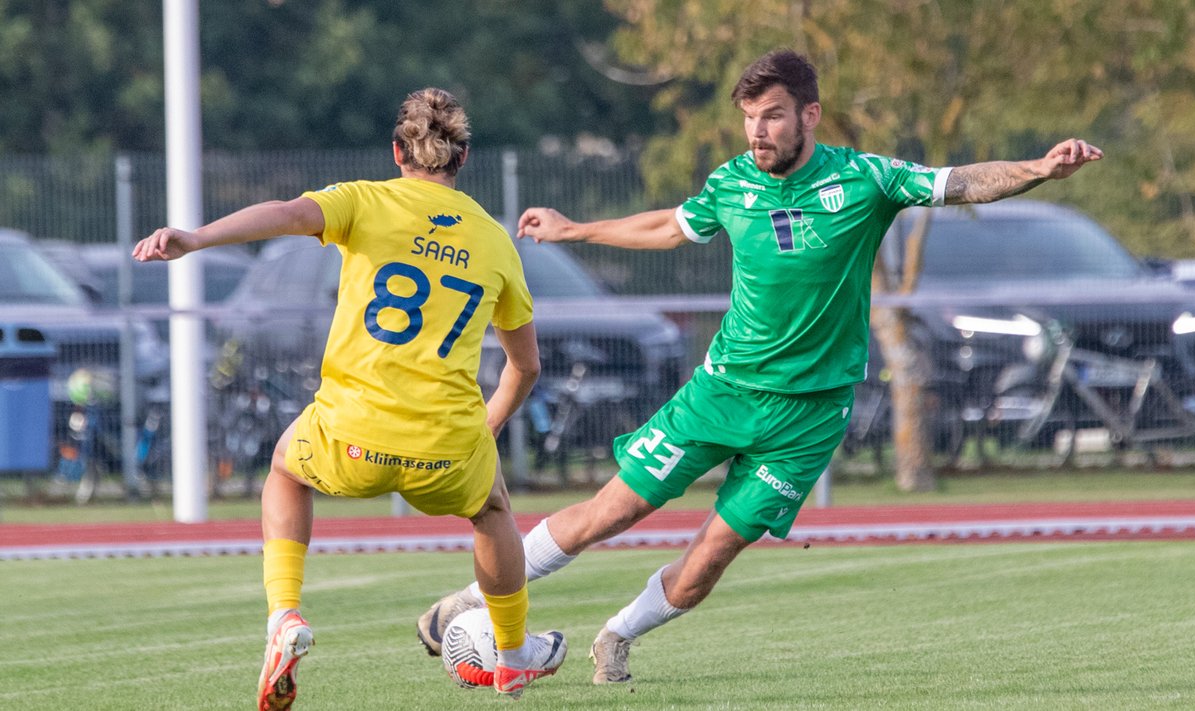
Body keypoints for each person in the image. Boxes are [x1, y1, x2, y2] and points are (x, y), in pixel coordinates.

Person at [416, 49, 1104, 685]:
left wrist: (1039, 169)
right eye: (749, 118)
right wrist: (577, 230)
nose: (757, 132)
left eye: (771, 115)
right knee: (612, 509)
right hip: (721, 392)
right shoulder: (733, 182)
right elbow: (670, 227)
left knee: (710, 557)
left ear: (809, 114)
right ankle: (472, 599)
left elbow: (961, 183)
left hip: (807, 417)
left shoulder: (865, 179)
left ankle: (618, 634)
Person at [133, 88, 566, 708]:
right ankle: (515, 653)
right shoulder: (495, 242)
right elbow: (525, 367)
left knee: (285, 468)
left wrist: (194, 239)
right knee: (492, 511)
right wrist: (486, 432)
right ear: (463, 157)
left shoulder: (362, 200)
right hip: (447, 444)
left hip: (351, 433)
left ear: (396, 151)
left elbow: (283, 213)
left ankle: (284, 614)